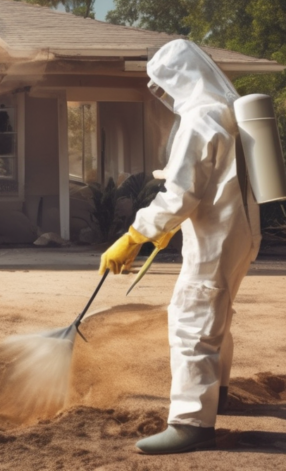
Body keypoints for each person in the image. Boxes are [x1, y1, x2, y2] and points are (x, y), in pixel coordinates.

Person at [99, 39, 260, 454]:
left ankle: (191, 422)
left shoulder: (200, 119)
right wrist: (166, 229)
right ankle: (217, 394)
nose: (165, 95)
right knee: (217, 311)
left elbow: (181, 194)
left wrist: (134, 235)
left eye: (166, 84)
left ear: (181, 78)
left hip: (215, 236)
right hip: (240, 233)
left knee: (192, 317)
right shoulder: (227, 110)